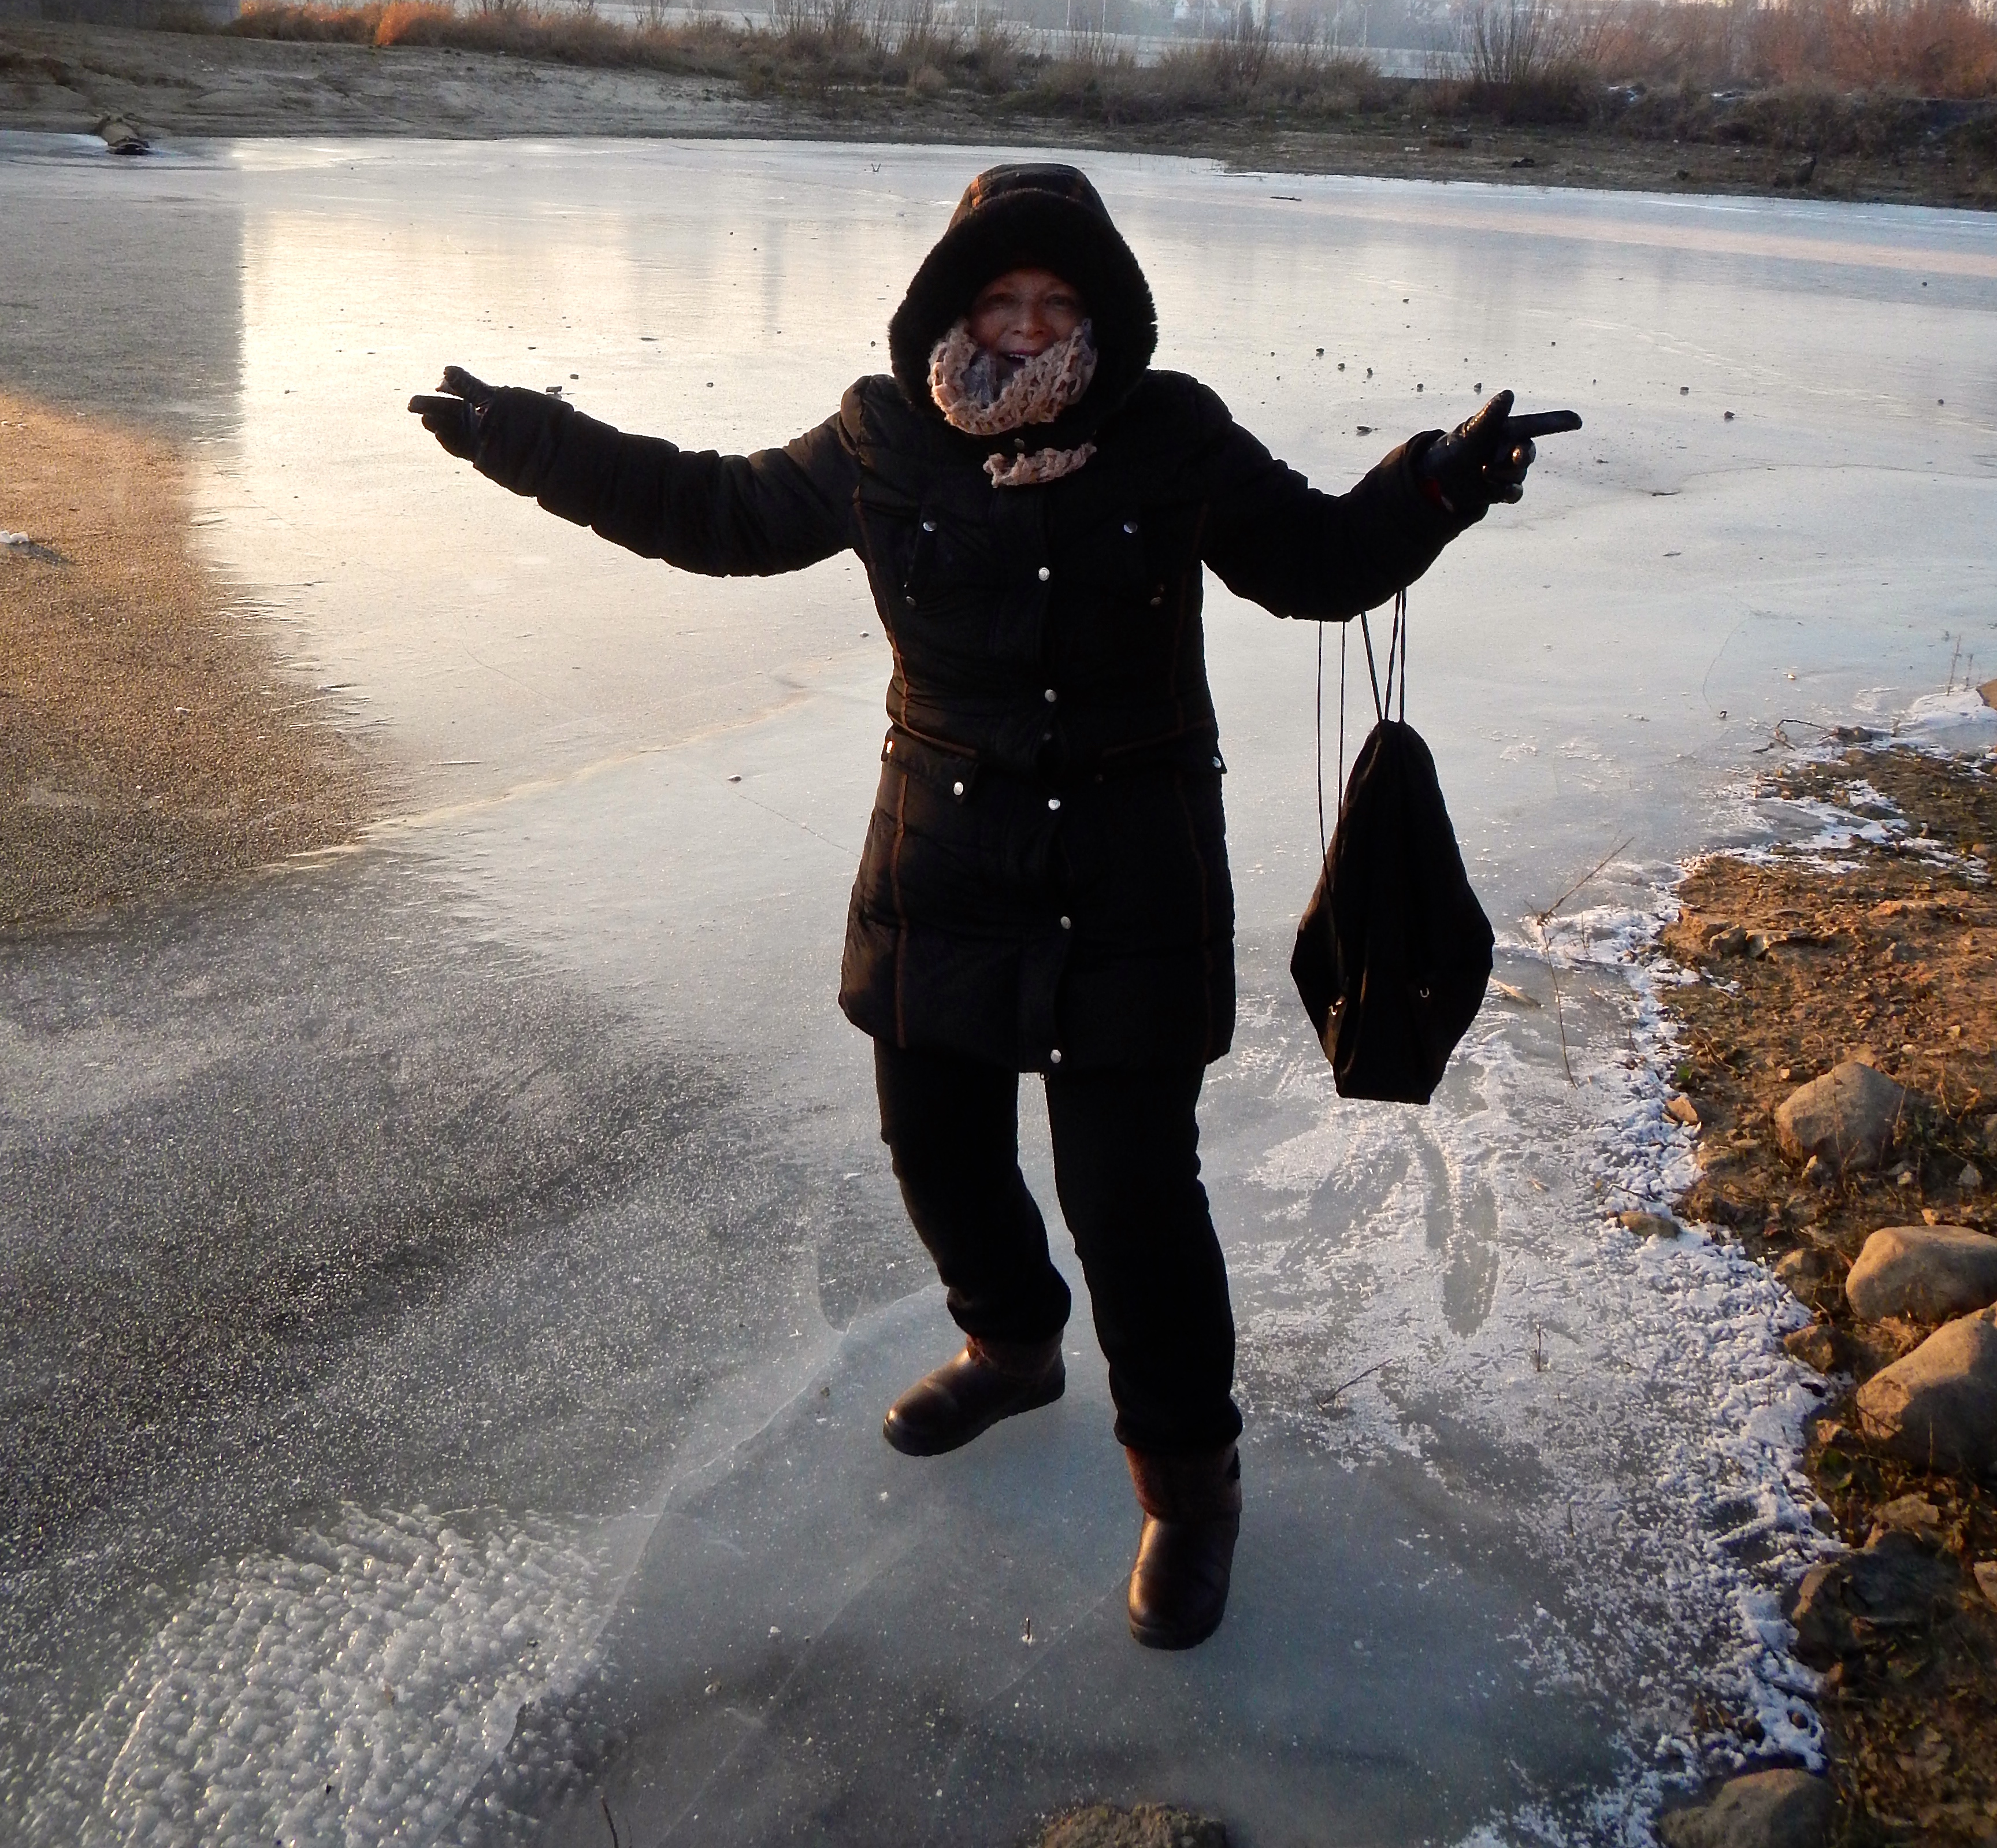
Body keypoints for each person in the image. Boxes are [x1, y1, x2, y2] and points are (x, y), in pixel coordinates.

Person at [410, 162, 1544, 1649]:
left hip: (1131, 868)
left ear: (1103, 311)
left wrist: (1441, 481)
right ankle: (1012, 1346)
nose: (1027, 327)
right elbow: (717, 510)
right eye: (1002, 298)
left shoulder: (1170, 433)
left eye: (1058, 302)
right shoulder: (883, 437)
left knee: (1133, 1204)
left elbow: (1320, 561)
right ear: (953, 305)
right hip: (943, 857)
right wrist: (528, 441)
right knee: (937, 1147)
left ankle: (1188, 1490)